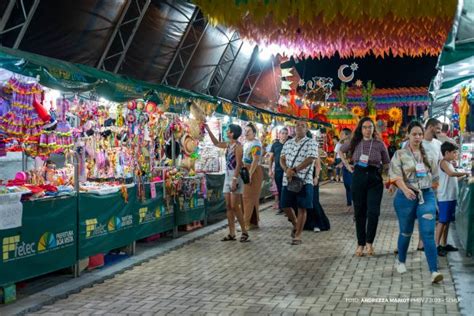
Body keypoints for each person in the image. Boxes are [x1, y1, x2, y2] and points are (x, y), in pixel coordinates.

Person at [389, 121, 443, 284]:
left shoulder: (431, 153)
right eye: (414, 134)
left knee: (427, 233)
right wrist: (405, 189)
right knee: (406, 231)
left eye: (420, 134)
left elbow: (435, 177)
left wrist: (432, 195)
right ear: (408, 135)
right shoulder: (399, 154)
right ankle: (401, 261)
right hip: (405, 198)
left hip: (426, 197)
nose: (418, 137)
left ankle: (434, 271)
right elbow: (395, 175)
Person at [339, 117, 390, 257]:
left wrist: (389, 180)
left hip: (374, 179)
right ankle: (360, 244)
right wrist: (346, 164)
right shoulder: (355, 142)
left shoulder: (380, 144)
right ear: (360, 129)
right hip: (358, 177)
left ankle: (369, 243)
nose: (368, 130)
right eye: (365, 127)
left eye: (370, 127)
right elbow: (340, 151)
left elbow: (386, 163)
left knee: (373, 212)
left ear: (374, 129)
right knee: (359, 212)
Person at [204, 123, 249, 242]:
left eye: (228, 130)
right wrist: (208, 129)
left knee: (235, 206)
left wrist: (234, 180)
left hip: (235, 176)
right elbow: (216, 143)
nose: (226, 132)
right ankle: (232, 233)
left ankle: (244, 231)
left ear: (233, 133)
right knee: (229, 206)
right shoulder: (228, 144)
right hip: (228, 175)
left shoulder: (238, 147)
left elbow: (239, 164)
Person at [280, 120, 318, 245]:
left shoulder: (311, 143)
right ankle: (296, 224)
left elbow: (310, 159)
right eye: (297, 125)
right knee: (285, 205)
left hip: (304, 180)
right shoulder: (288, 143)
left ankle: (298, 235)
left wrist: (295, 170)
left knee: (302, 207)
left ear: (307, 129)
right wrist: (286, 169)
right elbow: (282, 158)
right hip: (288, 180)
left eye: (303, 126)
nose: (299, 127)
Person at [435, 142, 468, 256]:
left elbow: (453, 179)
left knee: (447, 221)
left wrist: (463, 176)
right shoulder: (443, 162)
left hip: (451, 196)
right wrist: (465, 173)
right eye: (454, 152)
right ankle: (436, 245)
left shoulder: (449, 163)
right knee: (442, 221)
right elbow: (451, 174)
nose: (456, 154)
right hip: (445, 197)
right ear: (447, 153)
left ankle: (444, 244)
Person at [304, 132, 330, 232]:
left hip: (312, 177)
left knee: (314, 201)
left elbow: (318, 166)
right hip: (303, 178)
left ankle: (319, 223)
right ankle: (307, 223)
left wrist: (316, 177)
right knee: (305, 202)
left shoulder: (313, 150)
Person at [242, 123, 263, 230]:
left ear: (254, 133)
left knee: (248, 197)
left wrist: (249, 174)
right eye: (245, 130)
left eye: (248, 131)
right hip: (246, 170)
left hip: (253, 171)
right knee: (251, 197)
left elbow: (255, 160)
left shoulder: (256, 144)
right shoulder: (246, 143)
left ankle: (246, 223)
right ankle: (253, 222)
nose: (246, 133)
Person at [269, 127, 289, 215]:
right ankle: (281, 207)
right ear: (279, 134)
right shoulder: (275, 145)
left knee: (287, 189)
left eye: (285, 133)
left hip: (288, 170)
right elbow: (271, 158)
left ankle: (288, 208)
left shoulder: (289, 144)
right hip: (278, 170)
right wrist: (270, 170)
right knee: (280, 189)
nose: (284, 135)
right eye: (282, 133)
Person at [337, 128, 353, 212]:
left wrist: (347, 163)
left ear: (347, 135)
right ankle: (349, 203)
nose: (340, 136)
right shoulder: (342, 144)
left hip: (352, 167)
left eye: (342, 134)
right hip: (345, 167)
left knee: (351, 185)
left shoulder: (353, 143)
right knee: (347, 185)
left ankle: (352, 204)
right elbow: (338, 152)